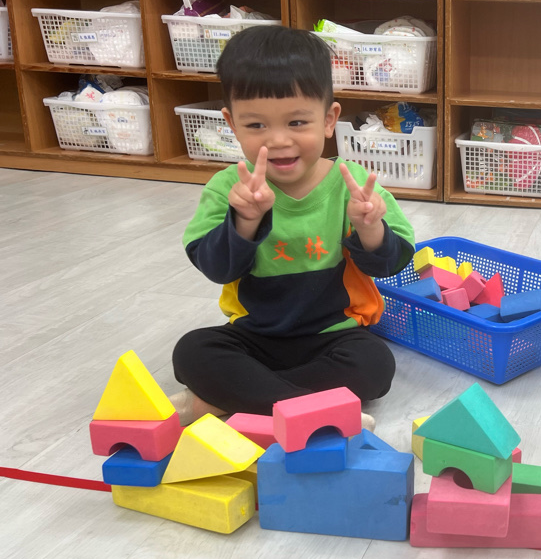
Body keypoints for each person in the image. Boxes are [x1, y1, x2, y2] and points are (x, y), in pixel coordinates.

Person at [169, 26, 415, 427]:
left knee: (374, 364)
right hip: (253, 336)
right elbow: (217, 269)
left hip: (334, 334)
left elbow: (391, 264)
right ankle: (314, 413)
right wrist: (245, 221)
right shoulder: (228, 188)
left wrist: (370, 229)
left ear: (329, 120)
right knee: (192, 350)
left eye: (298, 122)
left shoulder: (353, 185)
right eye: (256, 126)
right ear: (231, 124)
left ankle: (226, 403)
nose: (279, 140)